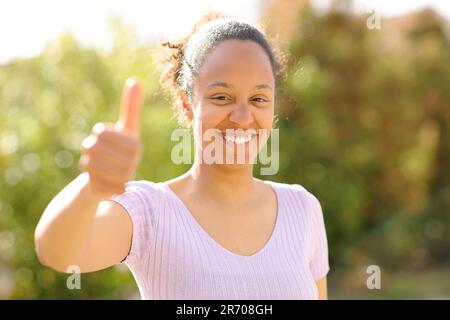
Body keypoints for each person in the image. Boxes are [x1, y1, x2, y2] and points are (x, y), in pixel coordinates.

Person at [34, 12, 329, 300]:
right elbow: (58, 252)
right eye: (222, 97)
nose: (242, 117)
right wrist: (91, 187)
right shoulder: (149, 211)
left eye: (258, 99)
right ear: (187, 104)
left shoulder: (302, 209)